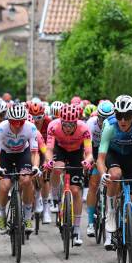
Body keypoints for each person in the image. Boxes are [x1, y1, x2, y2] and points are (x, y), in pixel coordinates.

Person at [97, 95, 132, 263]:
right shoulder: (110, 126)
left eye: (127, 116)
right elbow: (100, 158)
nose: (122, 120)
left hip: (131, 159)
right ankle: (111, 212)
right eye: (119, 115)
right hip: (113, 156)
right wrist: (102, 174)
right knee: (114, 175)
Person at [45, 104, 93, 246]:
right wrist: (49, 161)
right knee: (57, 168)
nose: (67, 128)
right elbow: (49, 149)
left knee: (76, 191)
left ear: (76, 122)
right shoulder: (53, 126)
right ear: (61, 121)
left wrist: (87, 161)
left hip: (76, 153)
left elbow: (89, 153)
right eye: (65, 124)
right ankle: (54, 198)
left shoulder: (84, 129)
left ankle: (77, 230)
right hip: (60, 150)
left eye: (71, 125)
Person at [0, 104, 41, 233]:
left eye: (21, 122)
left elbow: (35, 152)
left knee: (26, 181)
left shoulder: (30, 127)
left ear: (25, 120)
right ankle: (2, 216)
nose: (17, 125)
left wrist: (35, 166)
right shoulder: (1, 128)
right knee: (5, 185)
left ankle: (27, 217)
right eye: (14, 122)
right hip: (5, 156)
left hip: (22, 155)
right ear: (8, 120)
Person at [84, 100, 115, 237]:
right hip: (95, 150)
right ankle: (90, 222)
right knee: (93, 183)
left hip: (110, 151)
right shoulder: (90, 124)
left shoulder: (115, 125)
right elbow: (86, 146)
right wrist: (89, 160)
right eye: (101, 118)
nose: (104, 121)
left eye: (107, 118)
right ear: (97, 116)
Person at [28, 101, 54, 224]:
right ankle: (36, 198)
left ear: (44, 116)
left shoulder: (49, 123)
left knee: (45, 177)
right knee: (30, 174)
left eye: (39, 117)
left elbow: (47, 147)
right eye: (33, 117)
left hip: (44, 149)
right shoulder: (27, 125)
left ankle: (46, 208)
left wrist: (49, 160)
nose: (36, 120)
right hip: (31, 150)